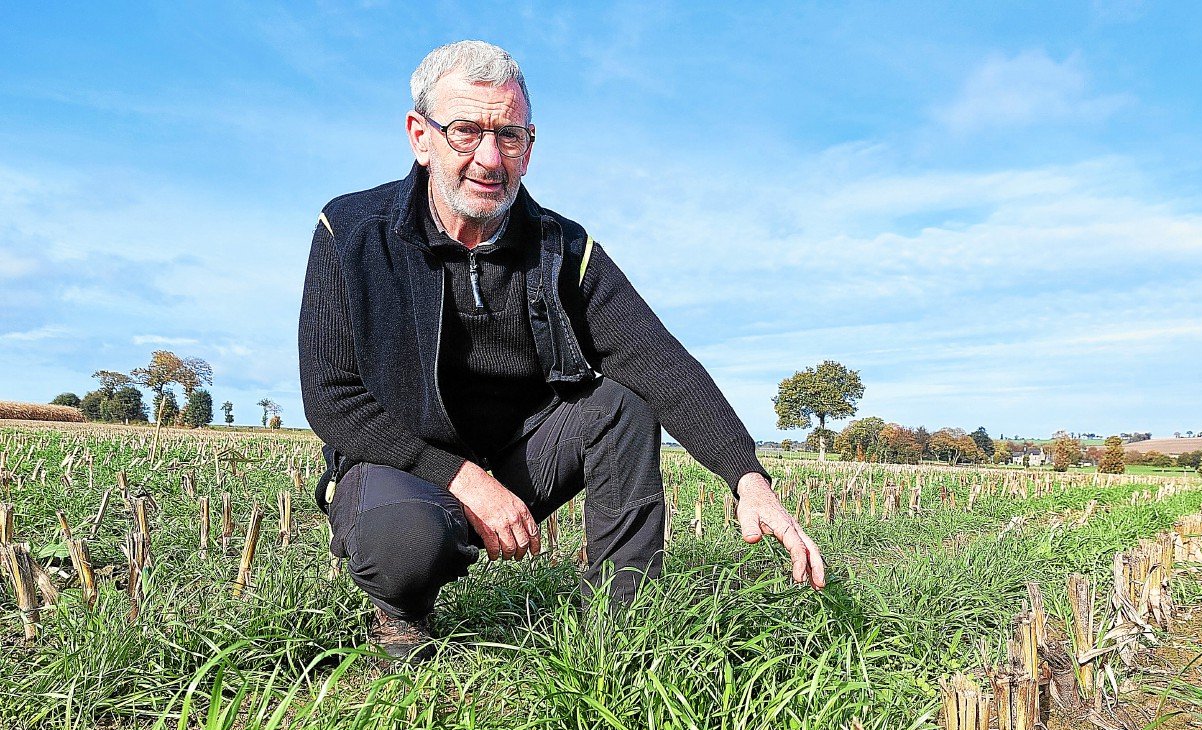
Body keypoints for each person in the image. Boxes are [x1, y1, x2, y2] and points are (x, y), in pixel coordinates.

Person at [299, 40, 824, 662]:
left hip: (520, 459)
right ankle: (403, 613)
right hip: (405, 468)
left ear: (530, 143)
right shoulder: (352, 231)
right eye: (466, 132)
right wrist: (461, 479)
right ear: (420, 136)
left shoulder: (563, 248)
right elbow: (333, 400)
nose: (490, 159)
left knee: (624, 401)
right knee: (402, 540)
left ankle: (620, 632)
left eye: (511, 136)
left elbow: (660, 362)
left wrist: (749, 479)